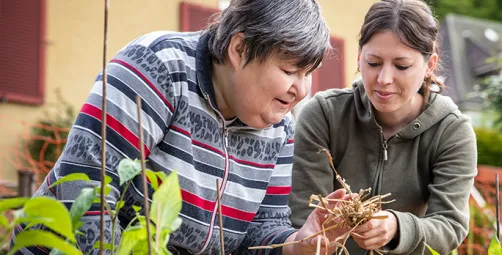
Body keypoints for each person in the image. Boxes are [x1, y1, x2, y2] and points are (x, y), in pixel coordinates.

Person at [11, 0, 349, 254]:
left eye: (308, 73)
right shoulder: (155, 68)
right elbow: (84, 192)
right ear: (239, 49)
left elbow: (260, 233)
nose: (302, 90)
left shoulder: (280, 126)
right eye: (290, 71)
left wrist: (297, 244)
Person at [289, 0, 478, 254]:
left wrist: (399, 228)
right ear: (359, 57)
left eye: (401, 66)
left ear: (429, 65)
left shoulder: (452, 133)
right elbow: (305, 217)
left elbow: (450, 226)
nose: (384, 80)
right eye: (373, 63)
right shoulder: (324, 115)